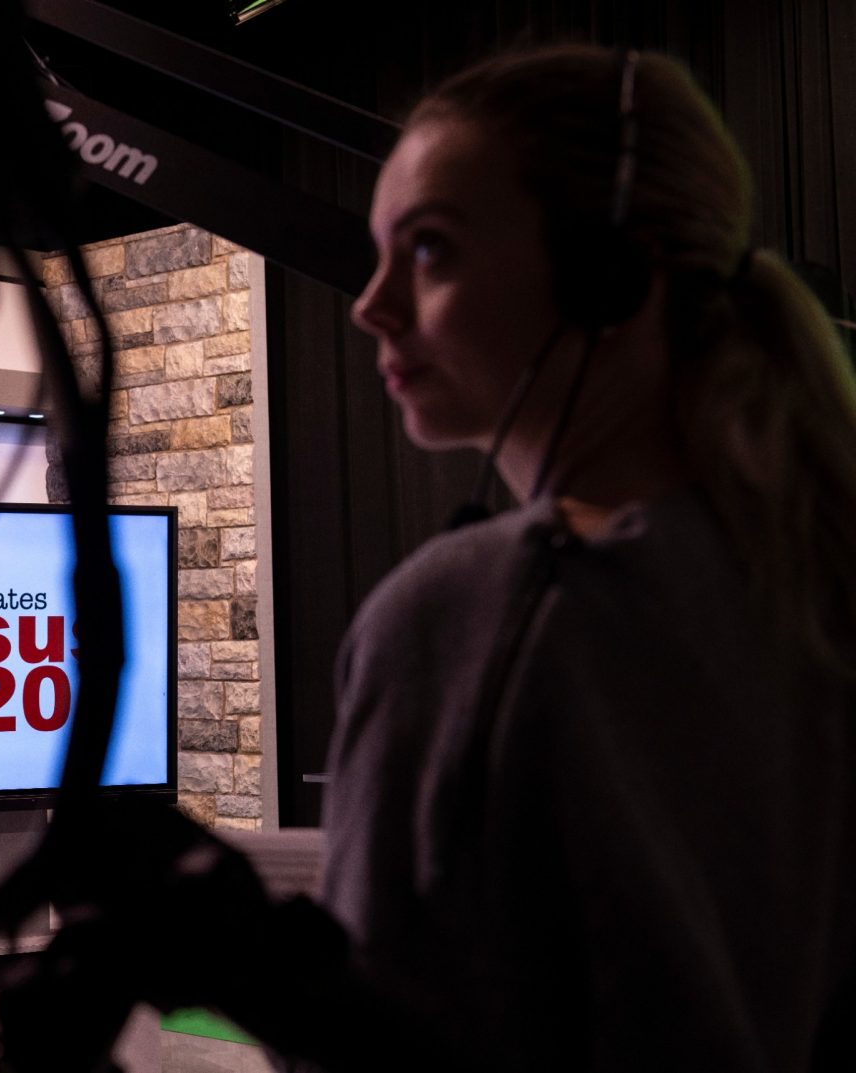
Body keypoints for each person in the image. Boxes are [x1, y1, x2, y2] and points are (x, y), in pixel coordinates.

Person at [324, 44, 856, 1069]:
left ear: (609, 274)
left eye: (428, 249)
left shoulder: (470, 614)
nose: (370, 302)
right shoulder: (814, 587)